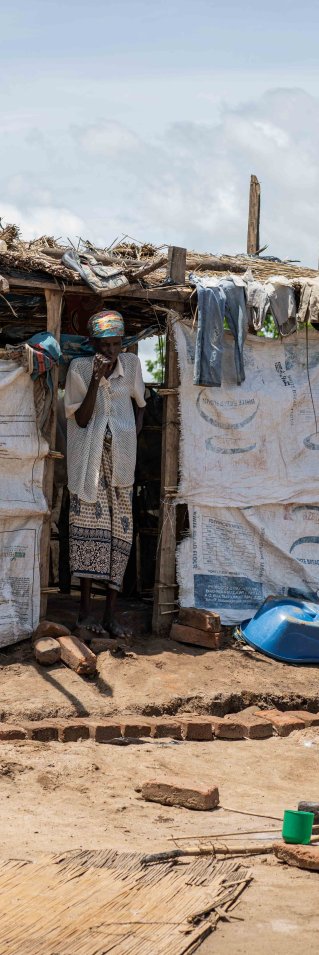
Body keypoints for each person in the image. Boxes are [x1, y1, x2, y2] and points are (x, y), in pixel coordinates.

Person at [64, 309, 145, 637]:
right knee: (87, 530)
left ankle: (111, 614)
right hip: (89, 463)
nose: (111, 351)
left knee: (120, 535)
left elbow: (141, 404)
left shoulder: (132, 366)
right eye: (104, 344)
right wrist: (97, 379)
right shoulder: (80, 368)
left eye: (116, 344)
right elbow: (81, 419)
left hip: (121, 461)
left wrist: (131, 436)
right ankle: (86, 611)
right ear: (92, 342)